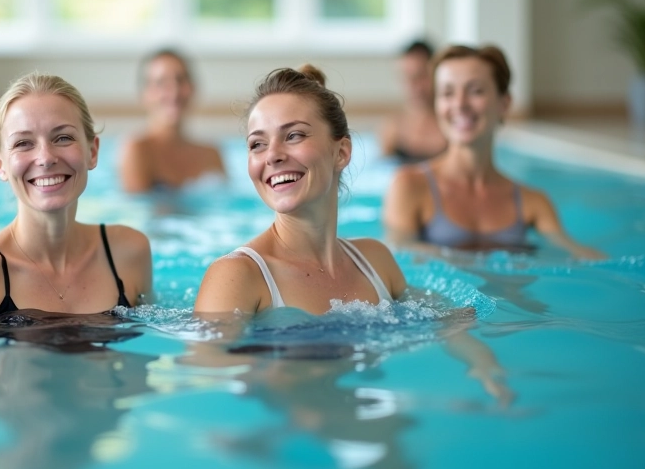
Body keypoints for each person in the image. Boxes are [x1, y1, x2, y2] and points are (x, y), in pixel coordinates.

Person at [0, 73, 153, 329]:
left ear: (92, 151)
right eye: (23, 143)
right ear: (0, 164)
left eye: (63, 138)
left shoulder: (128, 252)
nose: (45, 158)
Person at [194, 65, 407, 315]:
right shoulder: (237, 277)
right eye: (257, 144)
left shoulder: (376, 262)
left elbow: (447, 331)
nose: (272, 156)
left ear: (341, 153)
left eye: (294, 135)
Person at [382, 44, 604, 259]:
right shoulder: (409, 187)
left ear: (504, 104)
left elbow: (574, 255)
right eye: (447, 93)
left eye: (475, 91)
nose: (459, 104)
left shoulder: (532, 203)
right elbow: (398, 253)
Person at [119, 49, 226, 192]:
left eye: (180, 80)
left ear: (193, 88)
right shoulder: (137, 149)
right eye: (161, 83)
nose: (174, 91)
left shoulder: (211, 154)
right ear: (145, 95)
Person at [379, 40, 447, 163]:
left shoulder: (451, 127)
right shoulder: (392, 130)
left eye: (421, 76)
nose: (413, 85)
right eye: (407, 77)